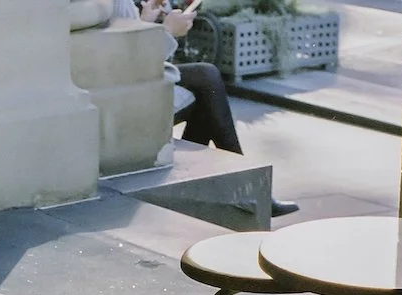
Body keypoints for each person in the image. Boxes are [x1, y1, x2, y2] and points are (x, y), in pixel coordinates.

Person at [112, 0, 299, 217]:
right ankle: (242, 190)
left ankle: (237, 190)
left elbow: (127, 42)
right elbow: (126, 61)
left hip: (128, 85)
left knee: (206, 81)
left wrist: (146, 19)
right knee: (206, 81)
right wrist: (168, 31)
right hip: (121, 96)